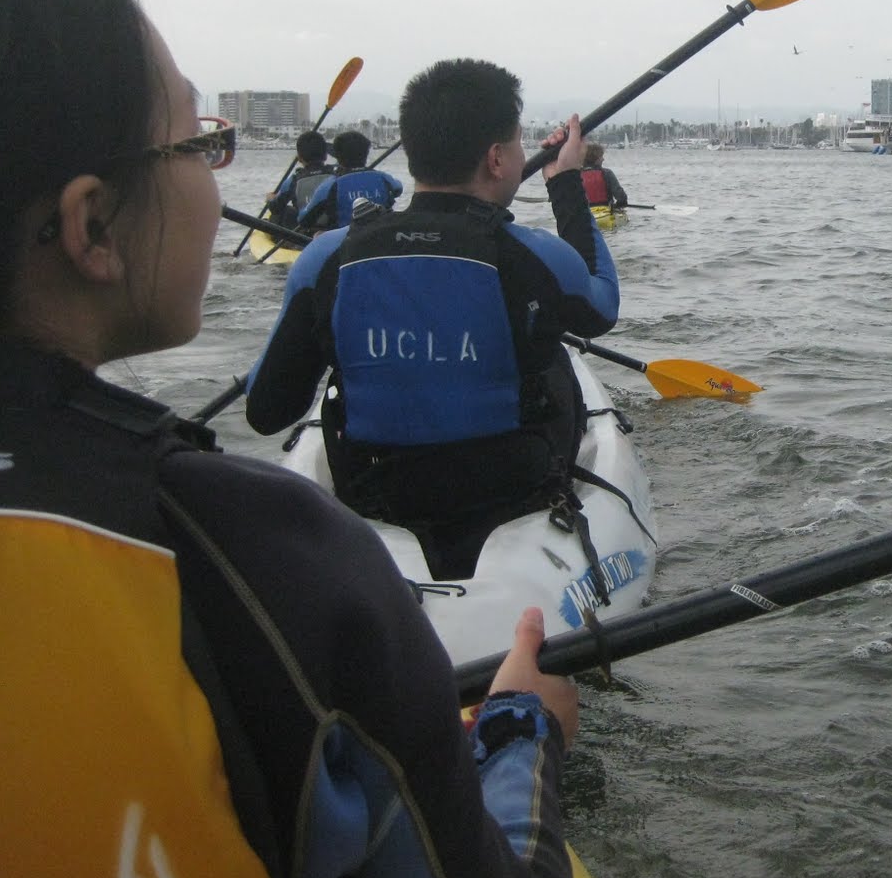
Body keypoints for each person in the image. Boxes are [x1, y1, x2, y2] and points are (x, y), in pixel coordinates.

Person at [0, 0, 578, 878]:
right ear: (92, 225)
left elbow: (271, 411)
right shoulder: (260, 558)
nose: (208, 165)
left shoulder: (328, 248)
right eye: (199, 142)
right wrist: (521, 733)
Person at [247, 59, 619, 579]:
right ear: (496, 159)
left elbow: (267, 410)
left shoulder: (325, 258)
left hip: (376, 495)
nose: (520, 155)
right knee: (550, 349)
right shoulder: (535, 256)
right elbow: (602, 306)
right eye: (517, 143)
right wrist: (565, 180)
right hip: (510, 494)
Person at [296, 129, 403, 231]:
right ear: (366, 153)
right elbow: (398, 189)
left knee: (319, 233)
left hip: (346, 242)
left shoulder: (330, 184)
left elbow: (304, 220)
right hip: (381, 236)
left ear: (337, 157)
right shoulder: (383, 177)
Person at [264, 129, 332, 225]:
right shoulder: (336, 175)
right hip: (333, 229)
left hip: (303, 233)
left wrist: (270, 199)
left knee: (283, 212)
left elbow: (276, 208)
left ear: (299, 158)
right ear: (325, 156)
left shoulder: (293, 180)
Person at [580, 142, 628, 211]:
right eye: (601, 156)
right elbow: (621, 198)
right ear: (595, 158)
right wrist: (618, 205)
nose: (603, 159)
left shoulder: (576, 175)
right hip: (605, 212)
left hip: (585, 213)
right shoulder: (607, 173)